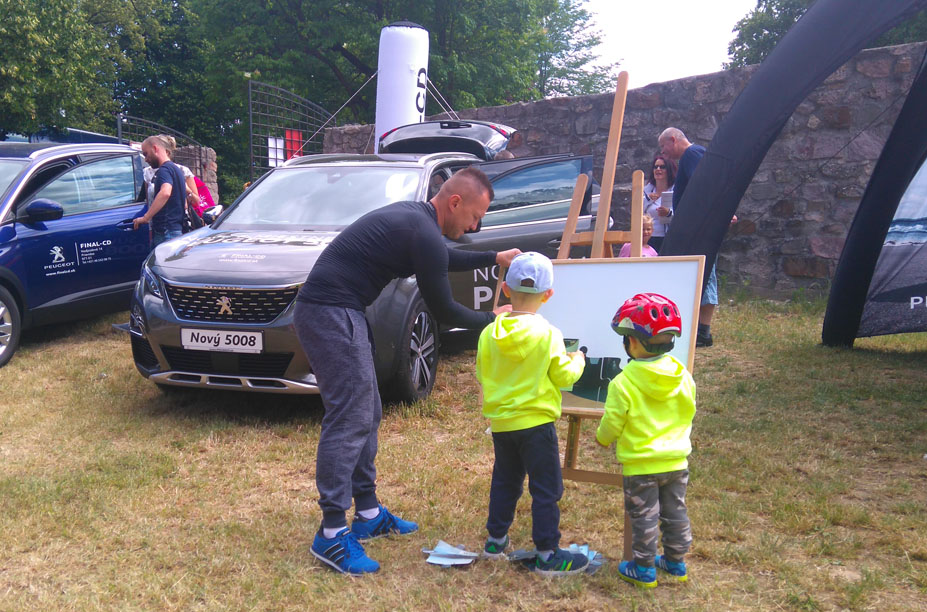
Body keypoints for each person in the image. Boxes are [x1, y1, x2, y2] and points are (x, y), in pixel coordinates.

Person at [295, 167, 520, 575]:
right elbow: (444, 309)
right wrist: (493, 320)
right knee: (350, 416)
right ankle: (330, 532)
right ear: (455, 202)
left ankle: (367, 513)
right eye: (475, 217)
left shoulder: (420, 223)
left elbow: (442, 258)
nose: (476, 226)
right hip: (331, 312)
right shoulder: (421, 230)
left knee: (368, 412)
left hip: (337, 310)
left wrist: (493, 257)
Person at [476, 252, 589, 576]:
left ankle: (495, 541)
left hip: (502, 425)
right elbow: (563, 376)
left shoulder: (488, 334)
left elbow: (482, 373)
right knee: (546, 489)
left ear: (506, 290)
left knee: (505, 482)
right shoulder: (548, 333)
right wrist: (578, 360)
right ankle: (547, 553)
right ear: (548, 294)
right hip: (537, 425)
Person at [595, 293, 696, 588]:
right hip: (676, 462)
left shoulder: (623, 382)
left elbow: (613, 422)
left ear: (633, 342)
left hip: (641, 466)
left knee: (644, 518)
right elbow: (689, 410)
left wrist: (602, 438)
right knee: (675, 513)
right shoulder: (683, 376)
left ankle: (643, 569)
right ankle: (676, 562)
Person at [658, 127, 716, 347]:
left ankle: (703, 333)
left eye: (663, 146)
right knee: (700, 275)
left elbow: (704, 187)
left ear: (673, 139)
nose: (663, 152)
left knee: (705, 276)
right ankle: (699, 330)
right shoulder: (692, 156)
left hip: (700, 229)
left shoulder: (691, 154)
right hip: (698, 226)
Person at [133, 136, 189, 246]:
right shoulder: (176, 170)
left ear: (155, 148)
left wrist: (146, 217)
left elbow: (165, 192)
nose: (146, 159)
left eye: (146, 154)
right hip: (175, 230)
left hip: (165, 233)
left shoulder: (164, 171)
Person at [643, 154, 675, 253]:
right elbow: (637, 211)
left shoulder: (676, 190)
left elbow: (683, 213)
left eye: (662, 167)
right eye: (655, 167)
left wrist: (668, 213)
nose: (658, 169)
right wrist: (648, 199)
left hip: (667, 237)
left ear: (669, 170)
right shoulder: (646, 191)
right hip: (648, 237)